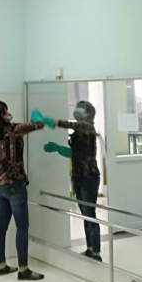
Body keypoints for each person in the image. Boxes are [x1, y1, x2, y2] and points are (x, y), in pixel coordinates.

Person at [0, 101, 52, 281]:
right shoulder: (14, 129)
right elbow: (39, 125)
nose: (9, 114)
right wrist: (37, 118)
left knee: (1, 226)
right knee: (22, 226)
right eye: (6, 112)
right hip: (15, 184)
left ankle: (1, 266)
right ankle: (23, 270)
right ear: (1, 116)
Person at [43, 100, 102, 262]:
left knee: (90, 214)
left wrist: (54, 122)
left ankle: (96, 252)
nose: (77, 110)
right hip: (78, 176)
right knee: (85, 214)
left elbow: (71, 124)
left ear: (88, 113)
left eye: (81, 108)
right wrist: (58, 148)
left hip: (89, 177)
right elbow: (73, 153)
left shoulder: (88, 127)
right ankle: (90, 249)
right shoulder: (78, 132)